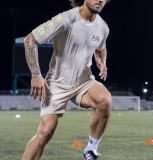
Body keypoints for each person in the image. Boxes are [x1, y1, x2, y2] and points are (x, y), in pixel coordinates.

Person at [22, 0, 112, 159]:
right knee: (45, 132)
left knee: (105, 100)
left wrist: (102, 61)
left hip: (84, 82)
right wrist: (36, 75)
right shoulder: (65, 20)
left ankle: (91, 149)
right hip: (57, 84)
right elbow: (30, 40)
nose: (100, 0)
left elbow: (101, 48)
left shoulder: (103, 27)